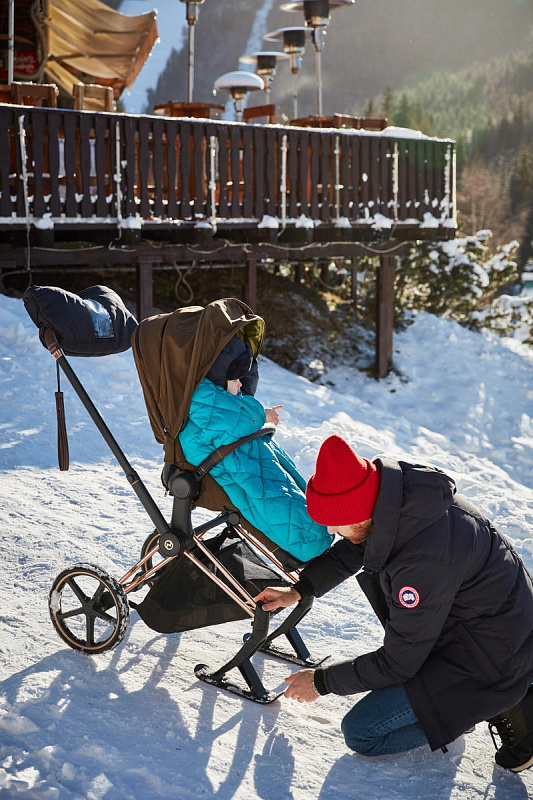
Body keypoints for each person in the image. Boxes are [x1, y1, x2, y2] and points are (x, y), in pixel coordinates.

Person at [256, 434, 533, 771]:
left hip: (492, 655)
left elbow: (400, 662)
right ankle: (474, 699)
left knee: (362, 734)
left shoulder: (422, 563)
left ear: (360, 515)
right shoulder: (398, 502)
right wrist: (300, 589)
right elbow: (358, 545)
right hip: (483, 628)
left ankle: (495, 701)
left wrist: (320, 682)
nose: (329, 530)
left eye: (334, 522)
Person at [179, 336, 331, 563]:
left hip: (238, 454)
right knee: (276, 500)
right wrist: (261, 415)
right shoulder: (204, 406)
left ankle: (314, 528)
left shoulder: (218, 406)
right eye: (235, 380)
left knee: (287, 489)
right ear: (217, 382)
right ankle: (308, 538)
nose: (241, 385)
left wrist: (257, 415)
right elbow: (228, 418)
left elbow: (232, 417)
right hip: (226, 464)